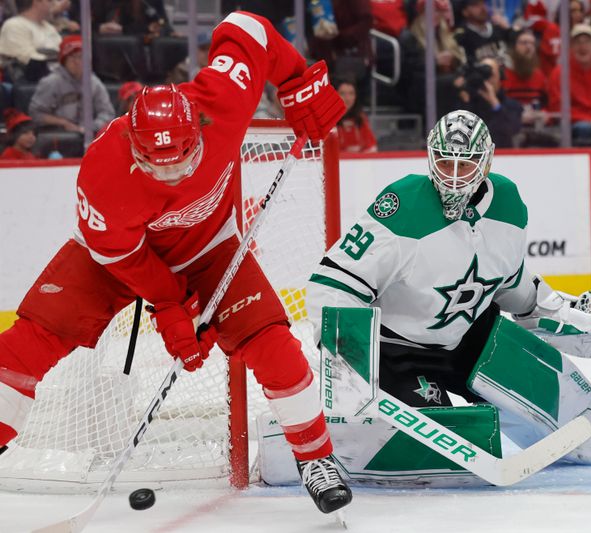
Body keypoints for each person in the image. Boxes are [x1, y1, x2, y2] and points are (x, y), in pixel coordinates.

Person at [0, 11, 352, 514]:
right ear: (132, 148)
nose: (170, 176)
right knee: (31, 338)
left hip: (209, 248)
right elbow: (121, 254)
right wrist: (170, 306)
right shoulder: (104, 174)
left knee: (275, 345)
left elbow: (246, 27)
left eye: (182, 162)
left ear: (199, 129)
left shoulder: (221, 104)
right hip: (112, 260)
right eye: (153, 167)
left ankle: (316, 458)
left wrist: (298, 79)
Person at [300, 109, 591, 486]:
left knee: (590, 427)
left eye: (467, 163)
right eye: (445, 161)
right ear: (429, 155)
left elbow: (510, 280)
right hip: (400, 352)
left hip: (473, 339)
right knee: (449, 454)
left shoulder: (508, 203)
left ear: (487, 159)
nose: (454, 176)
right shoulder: (402, 206)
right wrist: (347, 362)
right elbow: (334, 284)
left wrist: (556, 313)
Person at [28, 35, 115, 136]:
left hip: (88, 133)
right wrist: (63, 123)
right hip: (58, 134)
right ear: (64, 61)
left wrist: (90, 127)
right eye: (73, 58)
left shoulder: (94, 82)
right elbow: (35, 114)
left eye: (81, 57)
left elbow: (107, 113)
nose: (78, 62)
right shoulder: (51, 82)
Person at [398, 0, 467, 116]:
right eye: (433, 11)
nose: (437, 15)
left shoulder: (443, 35)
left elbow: (460, 61)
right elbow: (408, 71)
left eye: (439, 11)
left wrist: (453, 60)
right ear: (421, 14)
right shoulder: (410, 37)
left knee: (469, 81)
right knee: (452, 83)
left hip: (443, 81)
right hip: (418, 87)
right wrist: (435, 62)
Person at [466, 57, 522, 148]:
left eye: (491, 75)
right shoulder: (469, 105)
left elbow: (511, 131)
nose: (488, 80)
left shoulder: (513, 106)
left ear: (500, 77)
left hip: (503, 157)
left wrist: (494, 103)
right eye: (483, 75)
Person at [0, 0, 62, 82]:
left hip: (57, 77)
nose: (53, 3)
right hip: (31, 80)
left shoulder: (49, 27)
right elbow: (28, 59)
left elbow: (63, 51)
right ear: (36, 2)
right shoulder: (14, 25)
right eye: (49, 0)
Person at [335, 79, 377, 153]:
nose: (347, 98)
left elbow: (372, 146)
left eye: (351, 93)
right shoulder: (328, 120)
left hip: (359, 162)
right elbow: (322, 150)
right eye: (342, 93)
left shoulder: (361, 118)